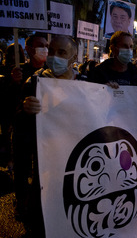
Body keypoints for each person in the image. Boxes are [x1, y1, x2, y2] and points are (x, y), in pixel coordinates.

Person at [12, 35, 79, 237]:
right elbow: (16, 119)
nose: (53, 57)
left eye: (61, 53)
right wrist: (24, 109)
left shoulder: (86, 83)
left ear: (73, 58)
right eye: (51, 51)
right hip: (44, 161)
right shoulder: (35, 81)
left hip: (74, 160)